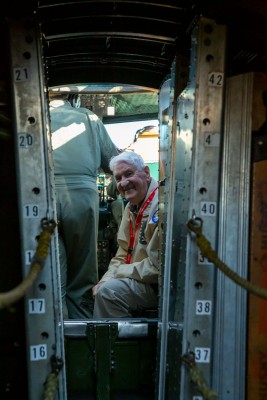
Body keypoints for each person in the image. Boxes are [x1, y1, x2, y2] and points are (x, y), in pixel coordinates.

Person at [49, 92, 118, 319]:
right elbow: (112, 162)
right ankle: (81, 332)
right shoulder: (88, 117)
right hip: (81, 198)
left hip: (42, 196)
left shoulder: (35, 117)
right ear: (72, 98)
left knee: (52, 272)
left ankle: (55, 330)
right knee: (81, 276)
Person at [93, 151, 159, 318]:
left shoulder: (160, 206)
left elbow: (158, 268)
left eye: (129, 174)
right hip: (137, 277)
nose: (124, 182)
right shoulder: (131, 207)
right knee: (102, 288)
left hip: (157, 285)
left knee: (109, 293)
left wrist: (120, 272)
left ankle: (114, 344)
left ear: (146, 173)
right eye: (118, 178)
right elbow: (122, 254)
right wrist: (105, 279)